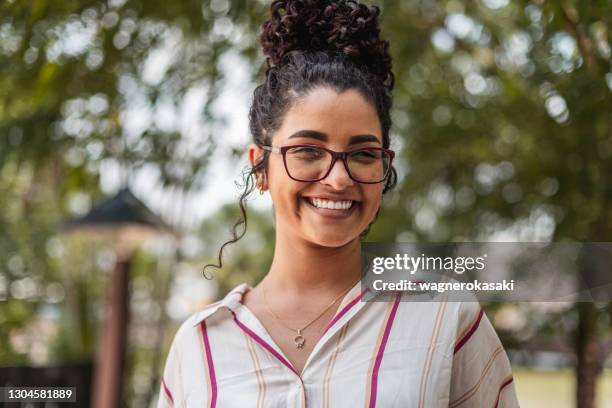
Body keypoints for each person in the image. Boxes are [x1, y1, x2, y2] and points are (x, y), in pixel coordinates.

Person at [158, 0, 520, 406]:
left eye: (363, 154)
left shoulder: (443, 317)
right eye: (308, 150)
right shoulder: (199, 347)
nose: (338, 178)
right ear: (260, 166)